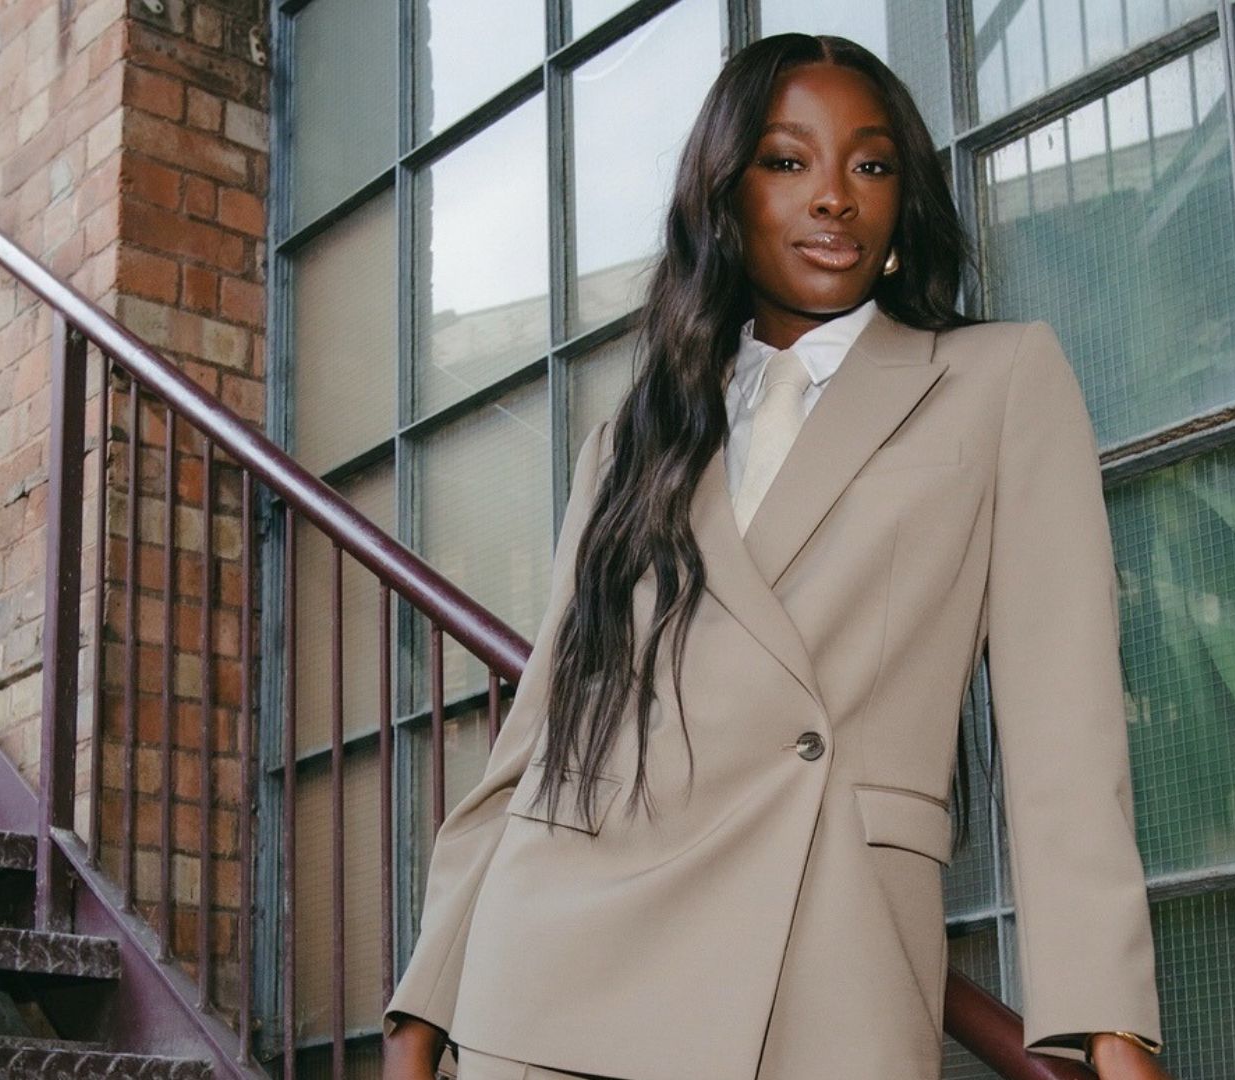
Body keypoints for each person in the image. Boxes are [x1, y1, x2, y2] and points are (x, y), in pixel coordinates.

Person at [382, 32, 1167, 1080]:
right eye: (787, 162)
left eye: (871, 164)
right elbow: (540, 734)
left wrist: (1112, 1030)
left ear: (902, 203)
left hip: (823, 960)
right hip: (557, 965)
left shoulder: (996, 382)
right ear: (726, 198)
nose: (834, 196)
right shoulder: (634, 439)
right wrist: (421, 1015)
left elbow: (1063, 731)